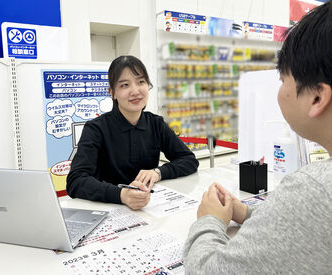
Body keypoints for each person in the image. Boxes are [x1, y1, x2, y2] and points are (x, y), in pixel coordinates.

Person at [184, 1, 332, 274]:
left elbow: (207, 270)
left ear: (317, 97)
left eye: (282, 79)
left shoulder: (315, 189)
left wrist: (209, 220)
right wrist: (249, 214)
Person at [67, 55, 199, 210]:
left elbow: (189, 160)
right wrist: (122, 195)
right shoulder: (96, 128)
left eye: (141, 82)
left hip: (148, 208)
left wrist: (158, 172)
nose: (135, 91)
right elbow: (76, 181)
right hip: (109, 209)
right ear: (113, 93)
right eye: (124, 85)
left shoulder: (156, 123)